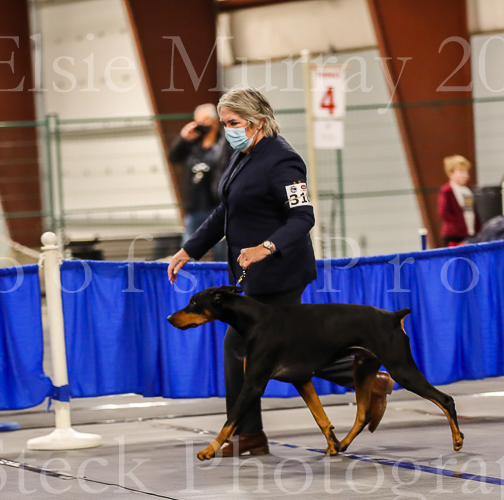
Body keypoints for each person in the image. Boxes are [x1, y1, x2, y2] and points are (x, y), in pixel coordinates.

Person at [166, 87, 393, 457]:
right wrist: (189, 249)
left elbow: (302, 217)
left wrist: (266, 247)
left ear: (257, 122)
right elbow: (225, 212)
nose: (227, 130)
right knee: (281, 348)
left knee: (245, 346)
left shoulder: (283, 160)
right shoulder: (240, 156)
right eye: (224, 123)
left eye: (233, 123)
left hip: (280, 272)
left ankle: (248, 435)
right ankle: (368, 379)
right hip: (251, 273)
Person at [168, 104, 232, 261]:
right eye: (198, 121)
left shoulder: (225, 143)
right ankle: (186, 275)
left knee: (221, 248)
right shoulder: (192, 143)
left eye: (205, 120)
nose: (202, 124)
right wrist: (183, 138)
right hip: (195, 204)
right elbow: (173, 156)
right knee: (187, 246)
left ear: (215, 121)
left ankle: (222, 276)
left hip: (216, 203)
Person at [438, 155, 480, 246]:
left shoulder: (468, 191)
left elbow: (471, 211)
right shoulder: (447, 190)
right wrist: (458, 225)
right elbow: (443, 212)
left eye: (466, 172)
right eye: (461, 172)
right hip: (455, 235)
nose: (465, 175)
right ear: (450, 173)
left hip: (470, 234)